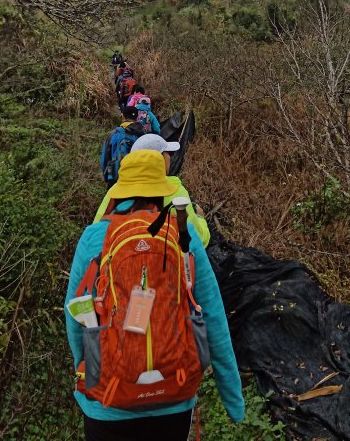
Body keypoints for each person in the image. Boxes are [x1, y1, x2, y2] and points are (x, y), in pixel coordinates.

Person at [65, 150, 244, 440]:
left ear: (120, 193)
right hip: (173, 396)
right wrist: (232, 399)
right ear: (162, 194)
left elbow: (75, 315)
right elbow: (212, 314)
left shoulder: (93, 237)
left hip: (108, 401)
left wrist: (87, 371)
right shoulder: (183, 235)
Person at [93, 134, 210, 248]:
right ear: (160, 159)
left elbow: (97, 233)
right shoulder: (175, 190)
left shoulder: (115, 191)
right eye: (168, 153)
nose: (170, 157)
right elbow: (197, 241)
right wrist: (201, 219)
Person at [100, 106, 144, 188]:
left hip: (116, 178)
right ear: (137, 117)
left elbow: (105, 157)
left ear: (122, 116)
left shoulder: (114, 134)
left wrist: (106, 177)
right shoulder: (143, 134)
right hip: (137, 178)